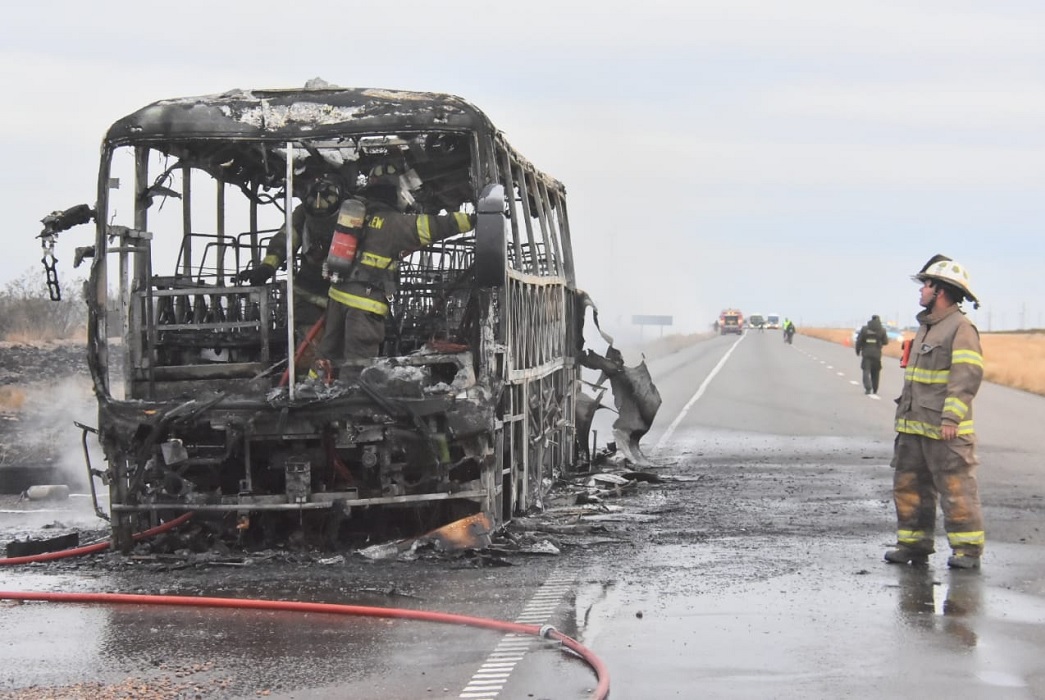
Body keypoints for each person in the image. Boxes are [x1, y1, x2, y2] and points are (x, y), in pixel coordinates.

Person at [314, 162, 475, 378]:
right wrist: (474, 219)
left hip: (337, 297)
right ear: (396, 192)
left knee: (326, 355)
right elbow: (437, 226)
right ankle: (348, 407)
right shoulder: (396, 224)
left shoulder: (354, 214)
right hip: (365, 305)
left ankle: (311, 392)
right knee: (358, 365)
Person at [885, 255, 985, 570]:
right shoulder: (927, 327)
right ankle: (913, 544)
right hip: (914, 426)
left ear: (939, 290)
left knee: (956, 488)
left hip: (945, 430)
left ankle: (967, 550)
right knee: (909, 487)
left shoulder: (960, 328)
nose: (921, 291)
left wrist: (951, 418)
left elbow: (966, 376)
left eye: (925, 284)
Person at [237, 173, 344, 340]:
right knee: (308, 347)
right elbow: (286, 238)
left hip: (345, 292)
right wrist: (267, 267)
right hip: (309, 290)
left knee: (343, 343)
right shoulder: (302, 214)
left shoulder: (353, 215)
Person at [855, 314, 889, 395]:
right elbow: (886, 342)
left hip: (866, 353)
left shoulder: (864, 329)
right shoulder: (882, 330)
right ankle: (875, 389)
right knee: (876, 372)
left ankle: (868, 388)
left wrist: (857, 351)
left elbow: (859, 341)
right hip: (877, 354)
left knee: (866, 371)